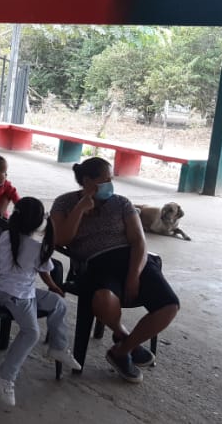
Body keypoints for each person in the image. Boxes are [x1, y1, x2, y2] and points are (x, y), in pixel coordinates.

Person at [49, 157, 180, 384]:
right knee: (103, 299)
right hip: (96, 264)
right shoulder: (64, 203)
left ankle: (121, 350)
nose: (110, 185)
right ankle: (123, 335)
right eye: (105, 180)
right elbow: (60, 239)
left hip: (132, 260)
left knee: (169, 306)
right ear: (87, 181)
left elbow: (139, 241)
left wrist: (133, 276)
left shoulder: (121, 203)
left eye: (111, 179)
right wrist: (81, 207)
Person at [0, 197, 82, 406]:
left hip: (14, 291)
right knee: (31, 332)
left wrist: (51, 288)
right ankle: (5, 376)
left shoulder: (6, 235)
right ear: (39, 221)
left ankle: (58, 347)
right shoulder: (37, 247)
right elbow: (44, 271)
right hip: (15, 296)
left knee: (58, 304)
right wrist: (53, 285)